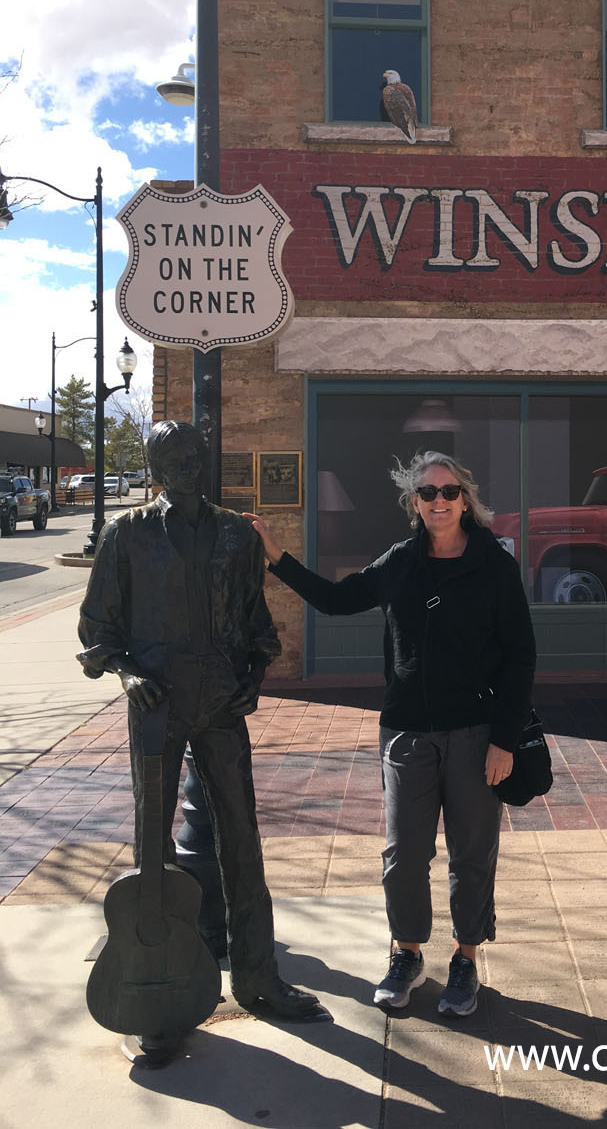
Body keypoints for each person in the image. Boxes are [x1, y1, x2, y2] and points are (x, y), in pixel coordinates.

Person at [249, 450, 535, 1018]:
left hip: (477, 732)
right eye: (427, 493)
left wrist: (505, 738)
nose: (439, 502)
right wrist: (279, 559)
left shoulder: (494, 564)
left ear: (465, 498)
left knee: (472, 853)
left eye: (449, 491)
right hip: (406, 732)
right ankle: (407, 952)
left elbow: (520, 656)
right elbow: (336, 601)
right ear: (414, 503)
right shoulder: (400, 562)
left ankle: (466, 957)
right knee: (404, 852)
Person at [78, 421, 328, 1054]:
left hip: (220, 703)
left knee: (242, 836)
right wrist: (129, 674)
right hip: (157, 704)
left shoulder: (233, 535)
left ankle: (257, 976)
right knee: (152, 842)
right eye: (175, 458)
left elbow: (254, 619)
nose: (189, 467)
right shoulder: (127, 534)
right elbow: (97, 629)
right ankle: (154, 993)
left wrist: (254, 672)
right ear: (157, 466)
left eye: (196, 457)